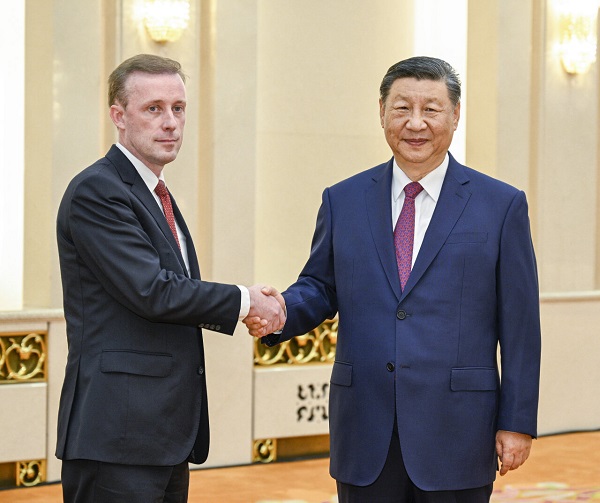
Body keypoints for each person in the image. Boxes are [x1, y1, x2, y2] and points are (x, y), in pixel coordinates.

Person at [245, 56, 541, 502]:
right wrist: (281, 311)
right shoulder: (343, 200)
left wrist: (517, 421)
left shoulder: (501, 205)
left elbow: (520, 326)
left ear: (455, 115)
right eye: (402, 108)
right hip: (366, 428)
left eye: (431, 109)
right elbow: (321, 286)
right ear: (382, 111)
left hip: (458, 430)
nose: (415, 123)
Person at [55, 54, 285, 503]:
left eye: (178, 108)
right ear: (118, 116)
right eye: (153, 108)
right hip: (116, 436)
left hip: (161, 436)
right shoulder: (97, 190)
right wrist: (246, 302)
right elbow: (153, 291)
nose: (171, 123)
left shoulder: (155, 192)